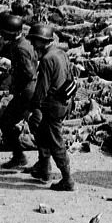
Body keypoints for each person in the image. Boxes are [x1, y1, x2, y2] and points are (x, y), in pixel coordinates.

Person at [25, 23, 75, 192]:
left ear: (42, 41)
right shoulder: (61, 53)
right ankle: (44, 169)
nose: (32, 45)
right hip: (63, 103)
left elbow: (41, 89)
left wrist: (32, 106)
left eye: (34, 41)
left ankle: (68, 180)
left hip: (52, 106)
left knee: (56, 143)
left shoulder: (47, 60)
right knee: (39, 130)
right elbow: (71, 77)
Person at [0, 12, 37, 171]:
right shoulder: (23, 44)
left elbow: (29, 73)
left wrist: (16, 83)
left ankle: (20, 156)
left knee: (5, 122)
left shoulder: (20, 48)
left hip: (26, 92)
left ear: (11, 32)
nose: (0, 33)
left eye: (3, 31)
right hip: (27, 91)